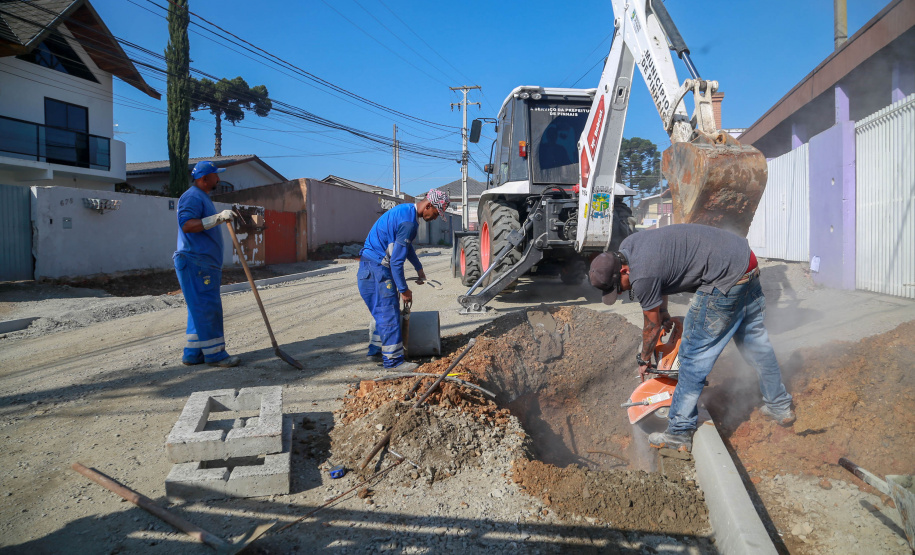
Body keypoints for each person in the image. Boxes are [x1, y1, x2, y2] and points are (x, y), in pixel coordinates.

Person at [589, 223, 794, 452]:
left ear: (624, 271)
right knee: (756, 345)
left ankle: (679, 432)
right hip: (746, 262)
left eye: (619, 287)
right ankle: (779, 405)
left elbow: (651, 326)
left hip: (723, 279)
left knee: (693, 357)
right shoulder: (629, 247)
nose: (621, 292)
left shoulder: (642, 275)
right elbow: (662, 273)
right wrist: (664, 310)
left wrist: (644, 359)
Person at [358, 189, 450, 371]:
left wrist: (419, 268)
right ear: (429, 205)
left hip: (369, 268)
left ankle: (376, 350)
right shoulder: (409, 223)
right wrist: (404, 290)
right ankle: (393, 362)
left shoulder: (405, 210)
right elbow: (396, 262)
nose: (435, 218)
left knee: (382, 312)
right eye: (436, 213)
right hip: (377, 271)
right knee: (389, 313)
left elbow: (406, 248)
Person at [173, 161, 240, 368]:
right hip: (196, 262)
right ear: (204, 179)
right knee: (208, 307)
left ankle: (194, 353)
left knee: (198, 308)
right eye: (214, 176)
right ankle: (215, 355)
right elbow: (186, 224)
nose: (218, 179)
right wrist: (218, 218)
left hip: (201, 262)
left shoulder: (201, 197)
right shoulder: (192, 196)